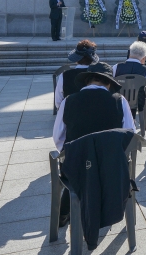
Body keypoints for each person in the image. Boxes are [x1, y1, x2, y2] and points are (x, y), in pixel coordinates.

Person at [52, 68, 136, 226]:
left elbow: (58, 137)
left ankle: (63, 214)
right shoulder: (120, 100)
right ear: (109, 84)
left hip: (78, 166)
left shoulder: (68, 101)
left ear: (86, 82)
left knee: (75, 173)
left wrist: (74, 152)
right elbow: (130, 133)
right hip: (112, 167)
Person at [54, 40, 109, 111]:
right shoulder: (101, 75)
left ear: (77, 58)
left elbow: (58, 103)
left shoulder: (65, 75)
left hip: (71, 116)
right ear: (92, 58)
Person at [112, 41, 146, 117]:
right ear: (144, 58)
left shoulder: (116, 67)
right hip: (137, 100)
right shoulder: (145, 70)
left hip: (118, 99)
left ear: (130, 53)